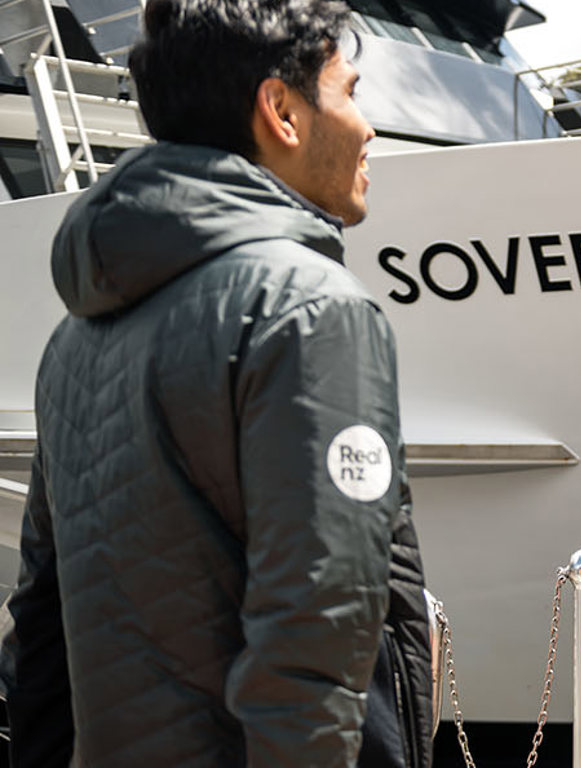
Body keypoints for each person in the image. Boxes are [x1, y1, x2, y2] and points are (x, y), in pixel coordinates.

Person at [0, 1, 434, 765]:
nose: (368, 128)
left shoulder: (74, 339)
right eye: (350, 93)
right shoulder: (310, 308)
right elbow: (318, 627)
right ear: (282, 111)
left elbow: (41, 627)